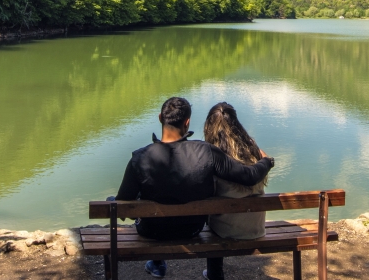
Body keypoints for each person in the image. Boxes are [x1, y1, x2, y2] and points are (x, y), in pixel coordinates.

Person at [113, 97, 274, 279]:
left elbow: (123, 208)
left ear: (160, 118)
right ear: (187, 122)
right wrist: (268, 161)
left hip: (152, 232)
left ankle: (157, 265)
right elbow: (249, 176)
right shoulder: (206, 152)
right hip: (192, 230)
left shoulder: (140, 158)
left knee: (119, 201)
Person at [203, 102, 268, 240]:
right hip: (256, 229)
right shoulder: (253, 150)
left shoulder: (213, 157)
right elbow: (265, 163)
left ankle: (216, 263)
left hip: (225, 230)